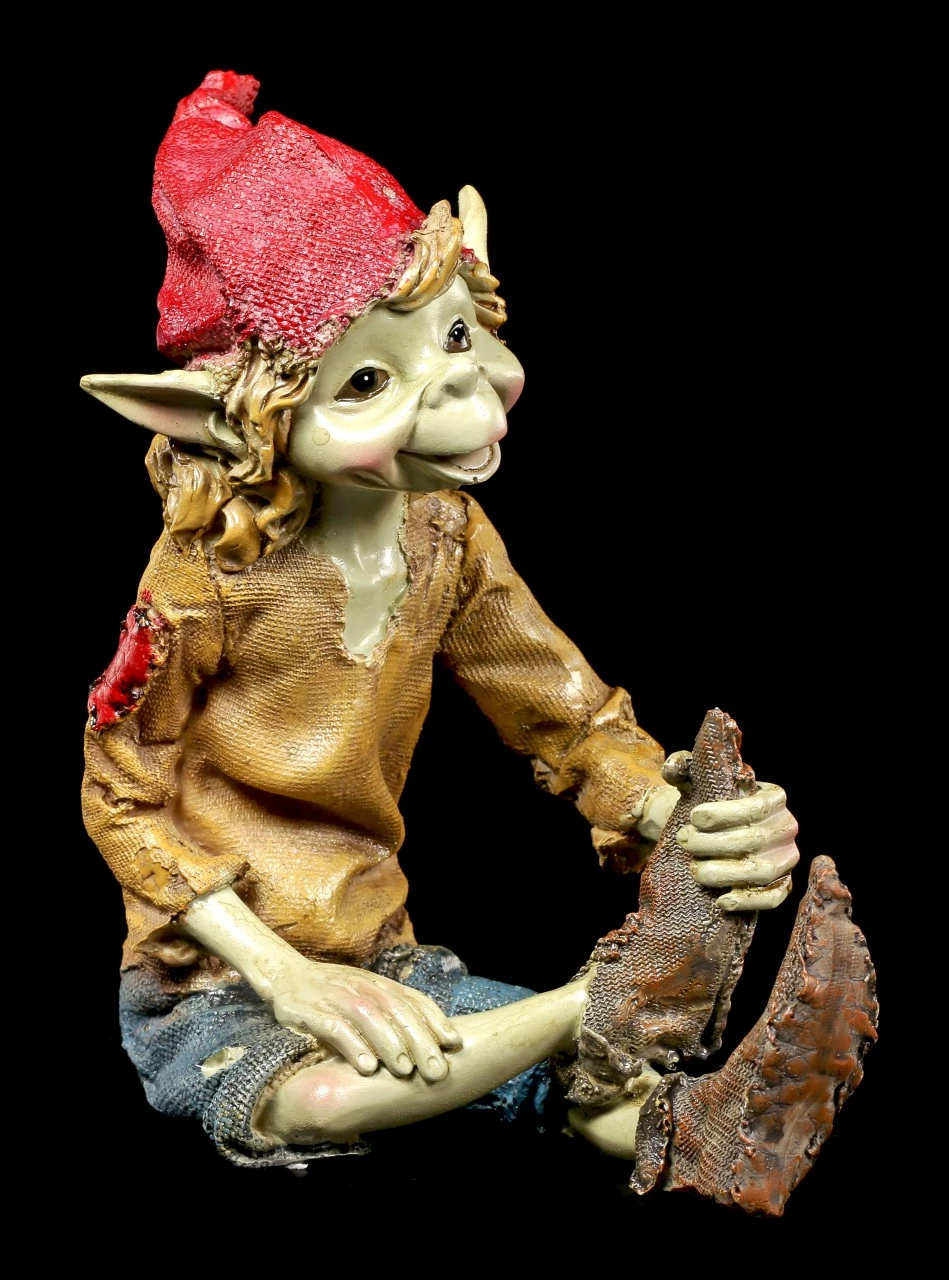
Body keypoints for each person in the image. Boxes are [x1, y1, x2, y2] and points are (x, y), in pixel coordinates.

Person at [81, 72, 872, 1206]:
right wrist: (289, 977)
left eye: (454, 333)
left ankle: (704, 1127)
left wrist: (683, 823)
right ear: (238, 417)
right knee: (312, 1098)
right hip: (214, 982)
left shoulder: (443, 534)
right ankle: (595, 1000)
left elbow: (558, 709)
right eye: (366, 379)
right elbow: (120, 792)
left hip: (382, 950)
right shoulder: (203, 579)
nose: (470, 389)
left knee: (544, 1081)